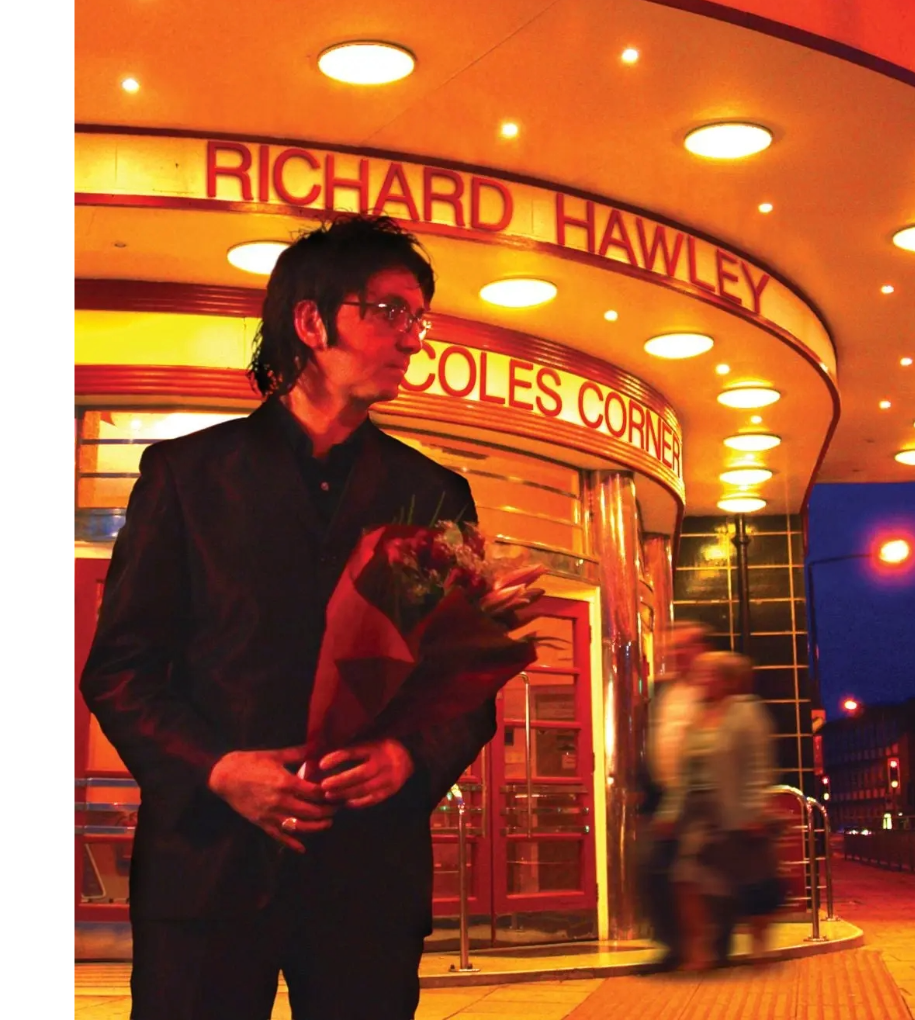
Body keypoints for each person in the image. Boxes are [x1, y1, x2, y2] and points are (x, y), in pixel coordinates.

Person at [80, 215, 537, 1020]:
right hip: (208, 872)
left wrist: (409, 756)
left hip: (367, 873)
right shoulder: (188, 474)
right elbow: (121, 671)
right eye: (390, 311)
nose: (414, 338)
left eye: (419, 318)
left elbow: (460, 692)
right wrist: (218, 767)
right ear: (311, 321)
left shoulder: (432, 493)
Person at [652, 650, 777, 971]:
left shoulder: (747, 712)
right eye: (701, 675)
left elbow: (758, 765)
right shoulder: (697, 717)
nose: (702, 680)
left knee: (752, 882)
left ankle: (759, 942)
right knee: (686, 878)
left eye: (709, 675)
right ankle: (700, 949)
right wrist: (669, 812)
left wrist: (754, 809)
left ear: (727, 680)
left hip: (736, 809)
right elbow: (685, 771)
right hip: (699, 813)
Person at [636, 621, 708, 968]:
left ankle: (707, 946)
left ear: (701, 649)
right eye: (674, 648)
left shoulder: (712, 691)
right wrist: (643, 792)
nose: (679, 654)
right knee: (653, 871)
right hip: (662, 799)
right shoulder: (662, 691)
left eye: (685, 647)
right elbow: (649, 741)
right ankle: (672, 946)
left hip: (701, 800)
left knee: (698, 877)